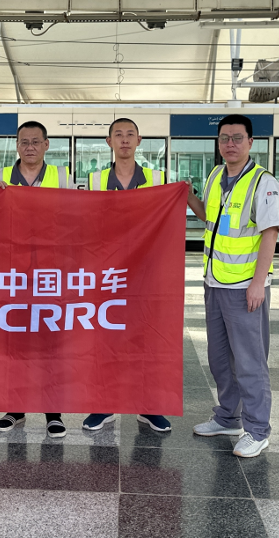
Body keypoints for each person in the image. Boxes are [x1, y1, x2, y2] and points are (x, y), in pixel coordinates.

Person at [185, 113, 279, 458]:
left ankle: (257, 429)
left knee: (250, 360)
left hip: (244, 288)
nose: (230, 144)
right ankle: (228, 417)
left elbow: (269, 234)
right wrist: (185, 195)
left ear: (250, 142)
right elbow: (207, 217)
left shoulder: (262, 182)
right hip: (214, 282)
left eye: (237, 138)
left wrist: (259, 283)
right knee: (220, 358)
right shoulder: (215, 176)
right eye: (224, 138)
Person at [83, 117, 173, 434]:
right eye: (117, 135)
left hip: (145, 275)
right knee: (104, 341)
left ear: (139, 141)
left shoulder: (159, 180)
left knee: (145, 341)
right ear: (108, 142)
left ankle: (148, 408)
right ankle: (102, 406)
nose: (124, 140)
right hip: (106, 275)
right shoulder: (93, 182)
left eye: (129, 135)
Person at [0, 120, 76, 439]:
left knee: (50, 341)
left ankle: (53, 411)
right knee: (15, 341)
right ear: (17, 146)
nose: (29, 147)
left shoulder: (62, 178)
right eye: (24, 142)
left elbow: (77, 220)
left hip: (50, 272)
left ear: (46, 145)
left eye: (35, 141)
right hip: (10, 272)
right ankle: (15, 408)